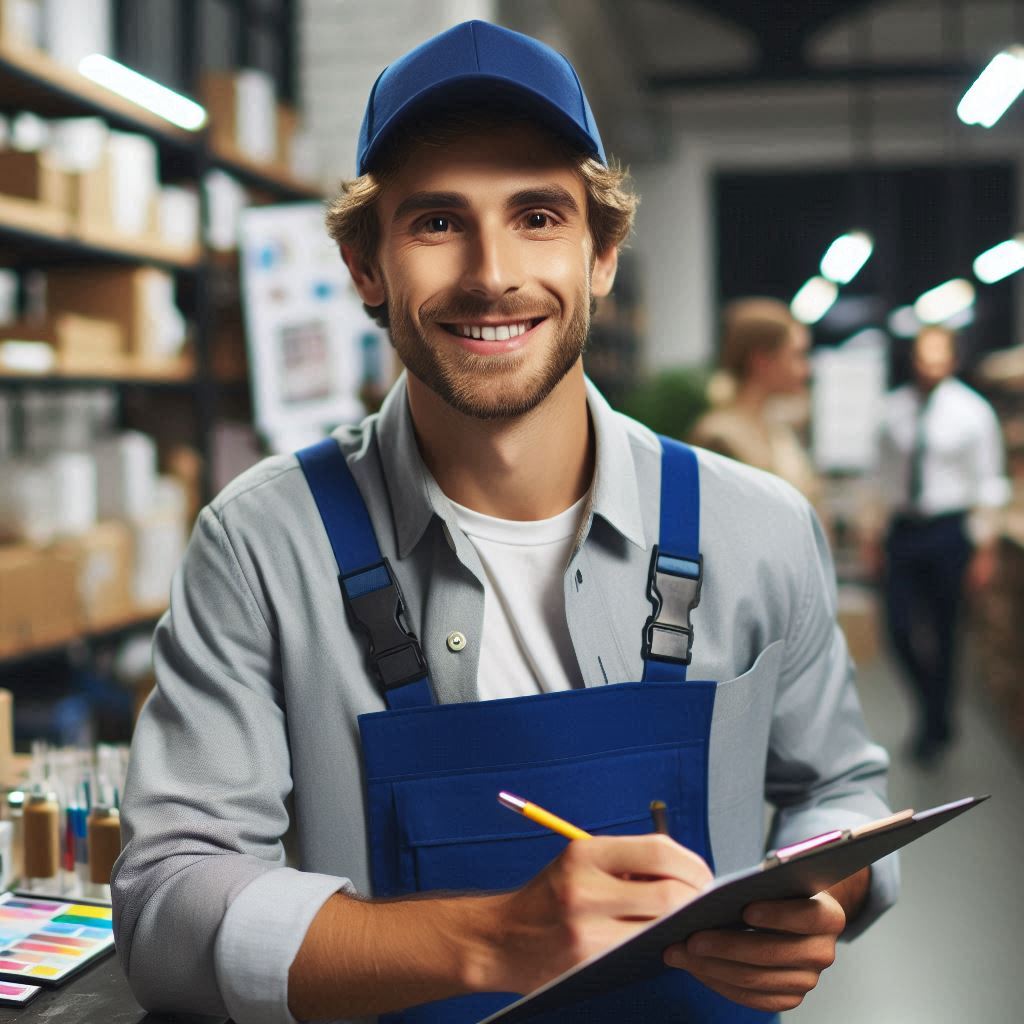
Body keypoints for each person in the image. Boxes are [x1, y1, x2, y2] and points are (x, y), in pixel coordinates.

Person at [112, 21, 897, 1024]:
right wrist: (492, 938)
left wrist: (816, 898)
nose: (492, 273)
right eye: (437, 222)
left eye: (537, 215)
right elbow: (167, 910)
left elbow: (841, 792)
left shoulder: (760, 531)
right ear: (364, 266)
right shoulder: (262, 545)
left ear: (601, 254)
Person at [865, 324, 1009, 766]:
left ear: (952, 359)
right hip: (905, 530)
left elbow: (988, 479)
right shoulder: (892, 410)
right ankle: (934, 708)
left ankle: (934, 723)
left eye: (939, 356)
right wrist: (872, 533)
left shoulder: (973, 412)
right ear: (913, 359)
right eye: (923, 356)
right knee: (900, 629)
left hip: (949, 531)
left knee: (946, 632)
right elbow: (880, 476)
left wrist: (984, 546)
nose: (931, 365)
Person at [691, 298, 821, 507]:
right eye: (797, 356)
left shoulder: (775, 430)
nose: (806, 370)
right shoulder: (719, 438)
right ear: (761, 360)